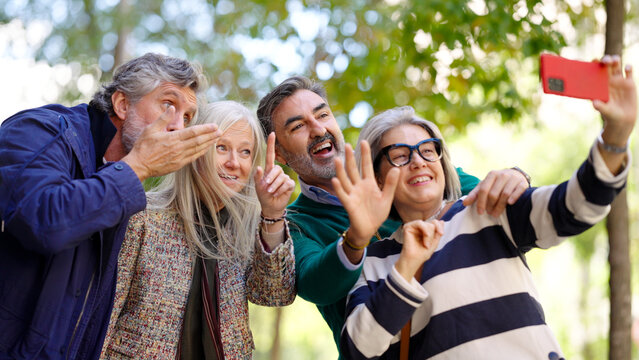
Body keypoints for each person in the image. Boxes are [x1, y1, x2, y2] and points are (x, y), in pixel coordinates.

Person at [336, 56, 635, 359]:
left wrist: (615, 137)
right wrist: (406, 268)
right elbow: (359, 349)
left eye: (428, 150)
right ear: (376, 176)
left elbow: (575, 207)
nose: (418, 161)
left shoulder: (488, 210)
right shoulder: (373, 262)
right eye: (400, 155)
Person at [256, 76, 531, 353]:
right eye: (299, 126)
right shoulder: (293, 222)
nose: (318, 129)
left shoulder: (394, 166)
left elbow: (479, 192)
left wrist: (516, 176)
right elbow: (317, 285)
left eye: (323, 114)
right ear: (279, 152)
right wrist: (356, 239)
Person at [0, 53, 221, 359]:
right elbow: (43, 222)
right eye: (168, 105)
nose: (177, 126)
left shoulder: (121, 175)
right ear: (121, 104)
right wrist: (137, 167)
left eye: (187, 116)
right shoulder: (40, 130)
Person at [100, 101, 296, 359]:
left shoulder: (249, 228)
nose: (233, 163)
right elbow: (103, 317)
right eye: (221, 148)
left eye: (245, 152)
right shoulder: (143, 217)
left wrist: (272, 215)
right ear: (195, 150)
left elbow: (274, 296)